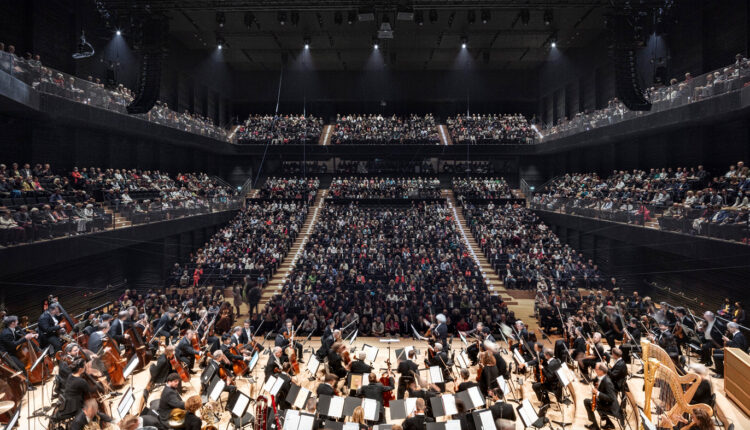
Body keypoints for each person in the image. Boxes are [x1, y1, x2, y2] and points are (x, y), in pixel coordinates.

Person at [0, 315, 37, 385]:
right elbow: (13, 345)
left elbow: (18, 335)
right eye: (16, 321)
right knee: (21, 366)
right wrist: (25, 338)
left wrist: (31, 335)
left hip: (12, 351)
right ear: (12, 323)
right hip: (7, 354)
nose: (18, 322)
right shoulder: (6, 333)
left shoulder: (11, 329)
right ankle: (27, 385)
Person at [583, 363, 621, 430]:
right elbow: (596, 382)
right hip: (606, 403)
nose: (594, 370)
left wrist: (597, 393)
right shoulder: (602, 377)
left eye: (596, 369)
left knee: (587, 402)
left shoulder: (607, 382)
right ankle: (609, 423)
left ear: (601, 371)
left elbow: (611, 398)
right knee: (593, 401)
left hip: (610, 407)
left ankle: (595, 426)